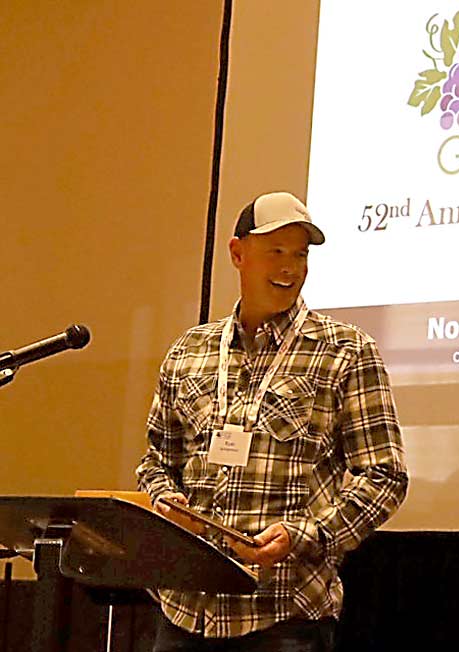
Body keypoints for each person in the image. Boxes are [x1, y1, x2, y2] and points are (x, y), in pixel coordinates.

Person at [136, 191, 407, 651]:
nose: (290, 268)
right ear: (238, 254)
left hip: (284, 616)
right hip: (184, 614)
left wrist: (306, 533)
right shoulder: (189, 351)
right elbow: (156, 462)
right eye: (276, 251)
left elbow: (384, 475)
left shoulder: (346, 351)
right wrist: (166, 505)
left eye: (300, 255)